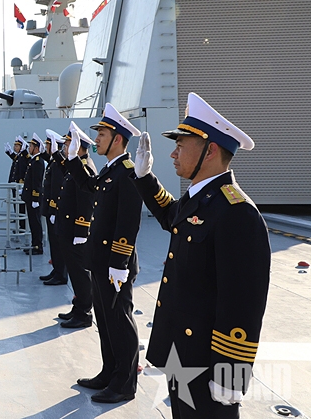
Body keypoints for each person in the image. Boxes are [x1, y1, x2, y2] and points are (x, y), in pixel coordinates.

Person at [131, 93, 270, 418]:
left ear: (211, 150)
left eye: (182, 145)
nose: (173, 153)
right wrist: (144, 179)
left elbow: (243, 307)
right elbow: (171, 215)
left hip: (209, 367)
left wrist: (230, 375)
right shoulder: (202, 200)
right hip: (183, 355)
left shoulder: (236, 212)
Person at [65, 103, 143, 404]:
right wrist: (72, 160)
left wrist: (120, 262)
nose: (96, 139)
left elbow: (128, 221)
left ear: (118, 139)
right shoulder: (110, 171)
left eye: (102, 134)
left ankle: (124, 383)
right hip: (100, 261)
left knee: (120, 321)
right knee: (106, 320)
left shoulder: (128, 173)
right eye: (97, 134)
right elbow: (88, 187)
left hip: (115, 263)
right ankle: (109, 372)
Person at [55, 123, 97, 324]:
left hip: (76, 231)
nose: (65, 148)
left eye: (69, 144)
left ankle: (84, 313)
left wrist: (81, 231)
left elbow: (87, 202)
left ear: (78, 147)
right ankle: (78, 305)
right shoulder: (76, 166)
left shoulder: (85, 167)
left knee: (80, 273)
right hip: (68, 229)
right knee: (74, 271)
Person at [39, 129, 67, 284]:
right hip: (50, 209)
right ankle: (56, 270)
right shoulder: (53, 162)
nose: (46, 148)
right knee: (53, 243)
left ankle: (61, 274)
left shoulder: (57, 164)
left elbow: (57, 187)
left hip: (55, 209)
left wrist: (54, 209)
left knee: (58, 244)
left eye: (48, 145)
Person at [21, 133, 46, 255]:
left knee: (36, 223)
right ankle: (34, 244)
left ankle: (38, 247)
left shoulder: (38, 162)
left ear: (36, 148)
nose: (29, 148)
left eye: (30, 146)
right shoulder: (33, 161)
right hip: (30, 197)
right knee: (32, 223)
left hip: (34, 199)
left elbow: (37, 181)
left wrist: (35, 198)